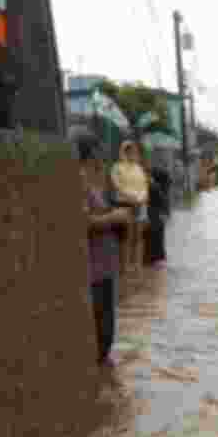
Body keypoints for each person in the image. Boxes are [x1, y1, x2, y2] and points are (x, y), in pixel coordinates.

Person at [78, 136, 133, 364]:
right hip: (94, 268)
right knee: (101, 332)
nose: (102, 158)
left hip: (104, 265)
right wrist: (114, 217)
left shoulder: (94, 183)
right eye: (99, 152)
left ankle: (105, 381)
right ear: (91, 155)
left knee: (106, 331)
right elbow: (82, 222)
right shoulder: (79, 181)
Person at [110, 140, 150, 262]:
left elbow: (144, 185)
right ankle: (125, 267)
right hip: (125, 204)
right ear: (123, 152)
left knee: (139, 237)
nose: (131, 153)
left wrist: (142, 198)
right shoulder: (117, 167)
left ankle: (137, 265)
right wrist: (132, 198)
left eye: (133, 150)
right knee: (126, 237)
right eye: (128, 151)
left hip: (140, 204)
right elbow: (117, 186)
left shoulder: (138, 168)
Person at [146, 150, 172, 265]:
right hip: (154, 208)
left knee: (157, 229)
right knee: (157, 229)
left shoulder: (155, 179)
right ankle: (156, 256)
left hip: (155, 208)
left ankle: (155, 256)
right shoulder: (153, 177)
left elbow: (163, 196)